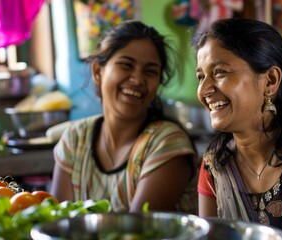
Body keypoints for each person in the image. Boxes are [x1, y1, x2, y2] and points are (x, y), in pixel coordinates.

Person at [193, 18, 282, 239]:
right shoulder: (216, 163)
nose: (204, 89)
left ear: (270, 80)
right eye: (201, 76)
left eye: (220, 72)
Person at [49, 20, 198, 214]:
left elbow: (137, 231)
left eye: (150, 71)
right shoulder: (75, 138)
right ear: (97, 71)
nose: (137, 79)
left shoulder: (166, 143)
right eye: (126, 65)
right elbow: (59, 223)